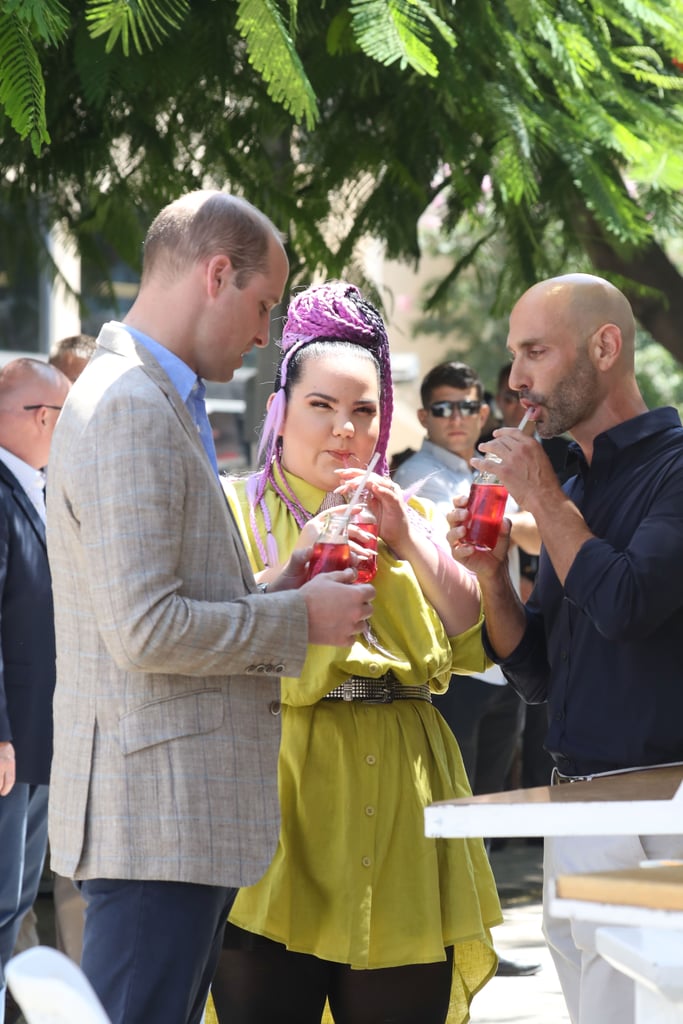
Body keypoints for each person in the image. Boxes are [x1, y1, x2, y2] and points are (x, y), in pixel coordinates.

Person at [44, 192, 375, 1024]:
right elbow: (146, 628)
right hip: (155, 818)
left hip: (166, 816)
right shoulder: (128, 404)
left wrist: (277, 584)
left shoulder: (144, 394)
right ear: (216, 274)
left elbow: (161, 604)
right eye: (263, 306)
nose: (266, 335)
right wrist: (300, 622)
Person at [210, 282, 502, 1024]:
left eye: (363, 410)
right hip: (279, 802)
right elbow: (202, 634)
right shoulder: (231, 510)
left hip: (405, 799)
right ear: (281, 411)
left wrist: (408, 539)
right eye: (322, 406)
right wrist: (295, 566)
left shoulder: (414, 514)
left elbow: (475, 636)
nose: (344, 429)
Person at [448, 272, 683, 1024]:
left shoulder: (674, 467)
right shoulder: (570, 485)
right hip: (576, 803)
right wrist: (489, 576)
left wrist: (541, 500)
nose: (515, 379)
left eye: (534, 352)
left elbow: (624, 603)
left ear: (604, 347)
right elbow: (537, 669)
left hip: (662, 806)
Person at [392, 361, 540, 977]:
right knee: (454, 812)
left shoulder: (483, 472)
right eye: (445, 408)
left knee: (481, 808)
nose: (459, 418)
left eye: (469, 406)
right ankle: (446, 946)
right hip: (454, 669)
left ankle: (474, 940)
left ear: (485, 412)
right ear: (424, 417)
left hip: (498, 664)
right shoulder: (417, 479)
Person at [0, 358, 71, 1024]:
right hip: (10, 740)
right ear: (38, 417)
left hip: (39, 735)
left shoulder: (35, 488)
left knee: (16, 900)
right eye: (61, 414)